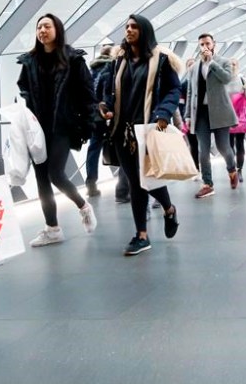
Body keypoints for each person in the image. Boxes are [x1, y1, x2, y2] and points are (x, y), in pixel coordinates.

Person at [98, 15, 181, 256]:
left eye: (134, 27)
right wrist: (105, 105)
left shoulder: (160, 60)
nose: (129, 30)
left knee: (145, 179)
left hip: (147, 129)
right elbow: (108, 90)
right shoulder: (118, 61)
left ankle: (167, 210)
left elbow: (174, 88)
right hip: (122, 131)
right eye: (126, 27)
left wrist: (164, 113)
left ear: (144, 31)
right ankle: (142, 235)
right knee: (135, 182)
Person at [17, 14, 97, 247]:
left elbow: (88, 94)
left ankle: (83, 206)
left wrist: (88, 124)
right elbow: (23, 88)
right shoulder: (30, 61)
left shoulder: (73, 59)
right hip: (37, 127)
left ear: (57, 30)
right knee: (41, 178)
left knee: (55, 173)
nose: (42, 30)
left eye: (47, 26)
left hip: (63, 125)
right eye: (39, 27)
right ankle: (52, 228)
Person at [185, 33, 240, 197]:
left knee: (224, 147)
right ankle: (208, 184)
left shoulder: (223, 62)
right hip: (200, 113)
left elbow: (227, 78)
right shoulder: (194, 67)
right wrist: (188, 114)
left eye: (207, 43)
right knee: (203, 149)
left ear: (213, 44)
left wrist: (212, 63)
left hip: (220, 112)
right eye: (201, 44)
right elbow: (190, 92)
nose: (205, 47)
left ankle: (232, 169)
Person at [84, 44, 115, 198]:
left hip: (94, 115)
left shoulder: (92, 69)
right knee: (120, 144)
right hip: (108, 113)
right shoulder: (111, 68)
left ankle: (91, 181)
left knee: (94, 147)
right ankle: (125, 184)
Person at [179, 57, 199, 171]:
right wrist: (183, 118)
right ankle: (196, 168)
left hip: (200, 119)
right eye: (189, 65)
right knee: (193, 144)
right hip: (189, 119)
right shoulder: (183, 85)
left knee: (201, 145)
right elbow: (181, 104)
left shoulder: (203, 84)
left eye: (193, 64)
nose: (191, 67)